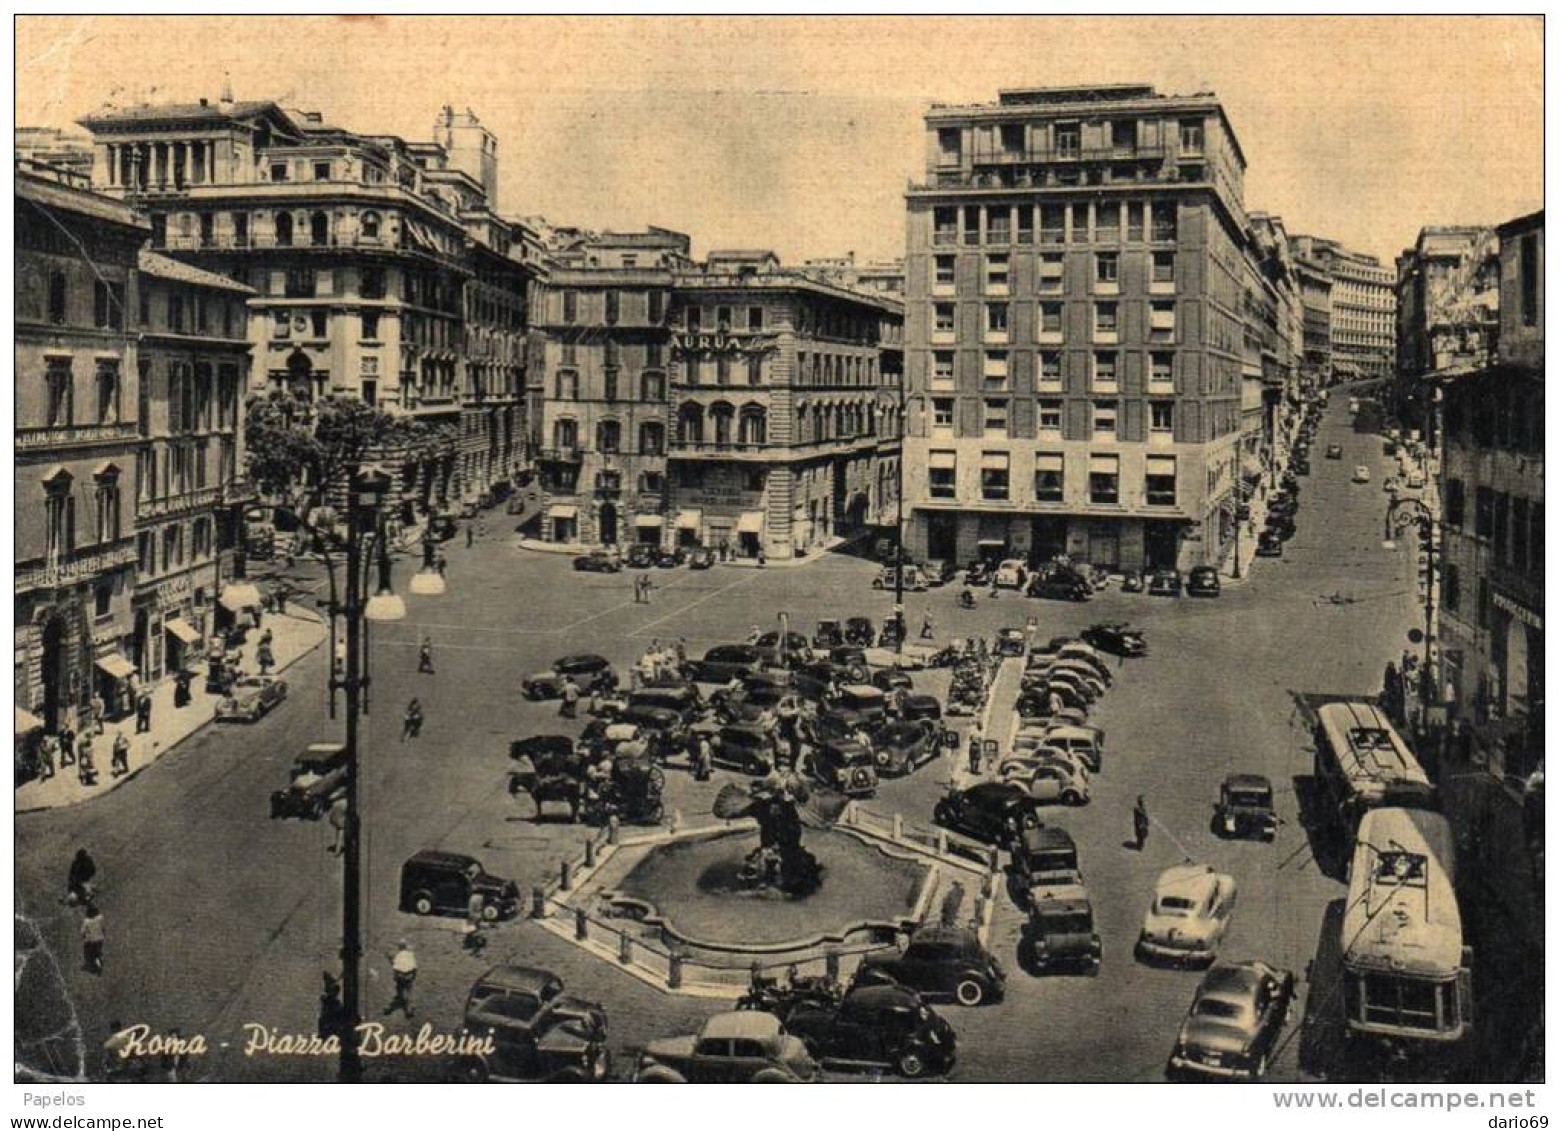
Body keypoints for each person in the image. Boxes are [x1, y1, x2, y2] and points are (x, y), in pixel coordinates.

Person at [384, 941, 418, 1019]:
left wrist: (395, 976)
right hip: (409, 975)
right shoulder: (410, 954)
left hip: (400, 976)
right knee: (408, 991)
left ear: (399, 947)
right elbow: (415, 967)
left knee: (400, 988)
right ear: (405, 947)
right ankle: (408, 1010)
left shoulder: (398, 955)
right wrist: (413, 976)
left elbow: (395, 968)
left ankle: (400, 999)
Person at [80, 903, 105, 975]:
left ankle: (91, 965)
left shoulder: (86, 921)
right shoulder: (100, 918)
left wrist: (84, 936)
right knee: (97, 953)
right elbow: (103, 928)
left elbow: (82, 932)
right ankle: (99, 963)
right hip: (100, 939)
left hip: (90, 941)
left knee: (89, 954)